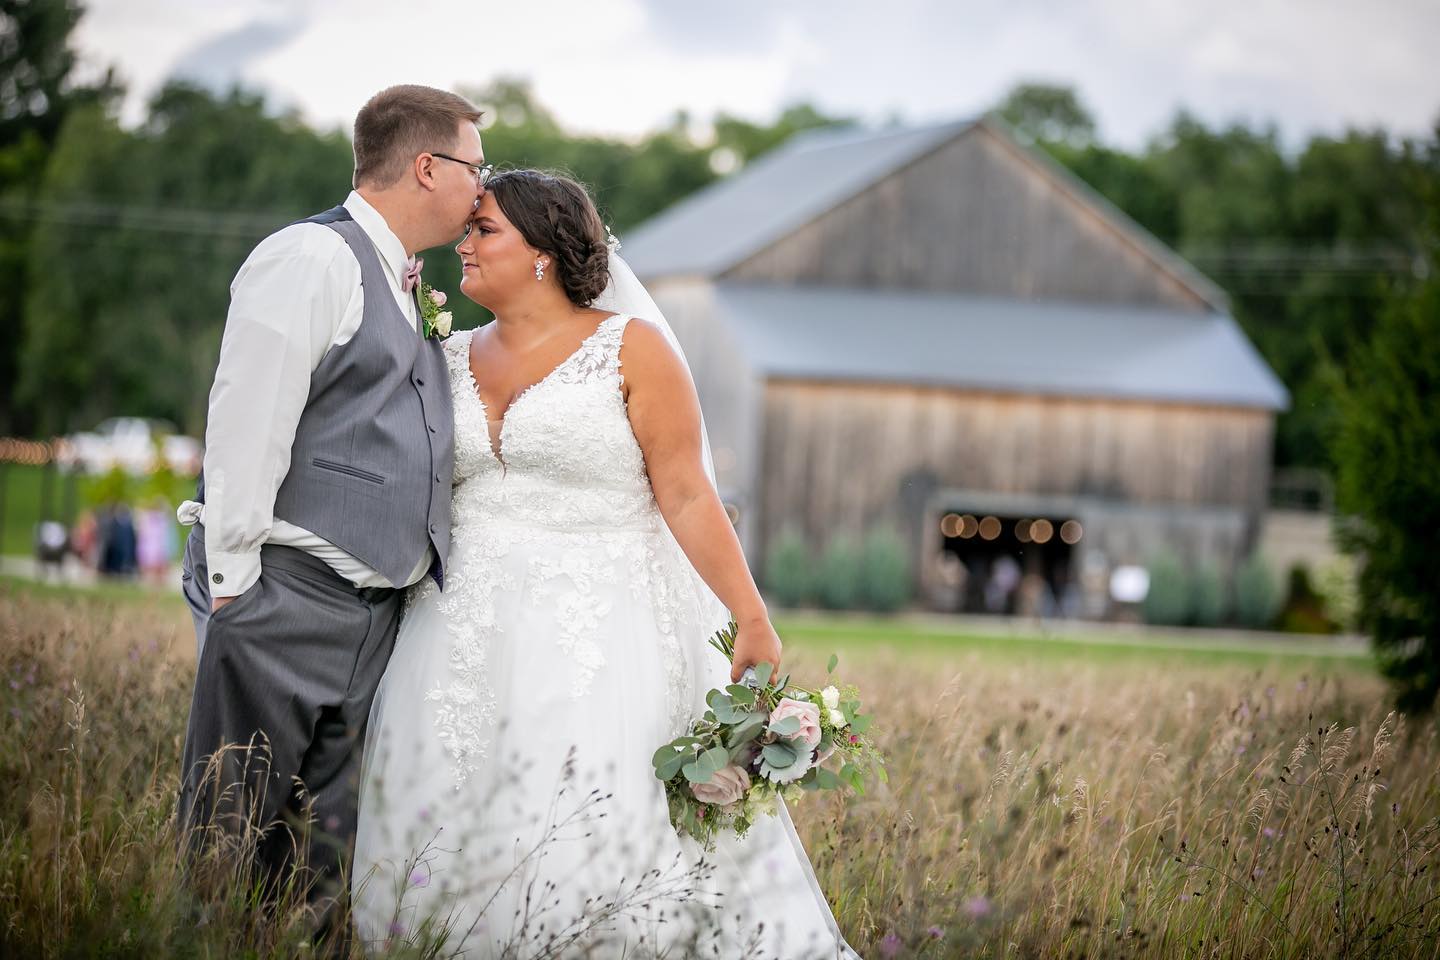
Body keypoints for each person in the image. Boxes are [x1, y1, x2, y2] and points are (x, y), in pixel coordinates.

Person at [351, 170, 858, 958]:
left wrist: (752, 616)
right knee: (447, 828)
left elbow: (687, 495)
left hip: (594, 639)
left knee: (581, 829)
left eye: (484, 229)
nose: (464, 241)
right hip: (454, 639)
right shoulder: (441, 354)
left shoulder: (631, 348)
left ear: (545, 252)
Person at [172, 84, 484, 923]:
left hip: (369, 620)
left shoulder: (403, 278)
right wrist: (239, 591)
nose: (481, 190)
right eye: (473, 167)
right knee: (222, 846)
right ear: (427, 166)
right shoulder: (312, 259)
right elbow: (246, 420)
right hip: (286, 600)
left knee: (313, 873)